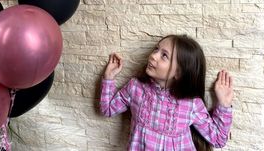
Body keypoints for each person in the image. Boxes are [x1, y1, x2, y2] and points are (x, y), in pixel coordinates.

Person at [100, 34, 233, 151]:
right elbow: (107, 109)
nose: (153, 56)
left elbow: (218, 140)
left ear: (179, 72)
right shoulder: (136, 88)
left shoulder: (191, 104)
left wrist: (224, 105)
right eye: (156, 49)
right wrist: (108, 78)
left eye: (164, 55)